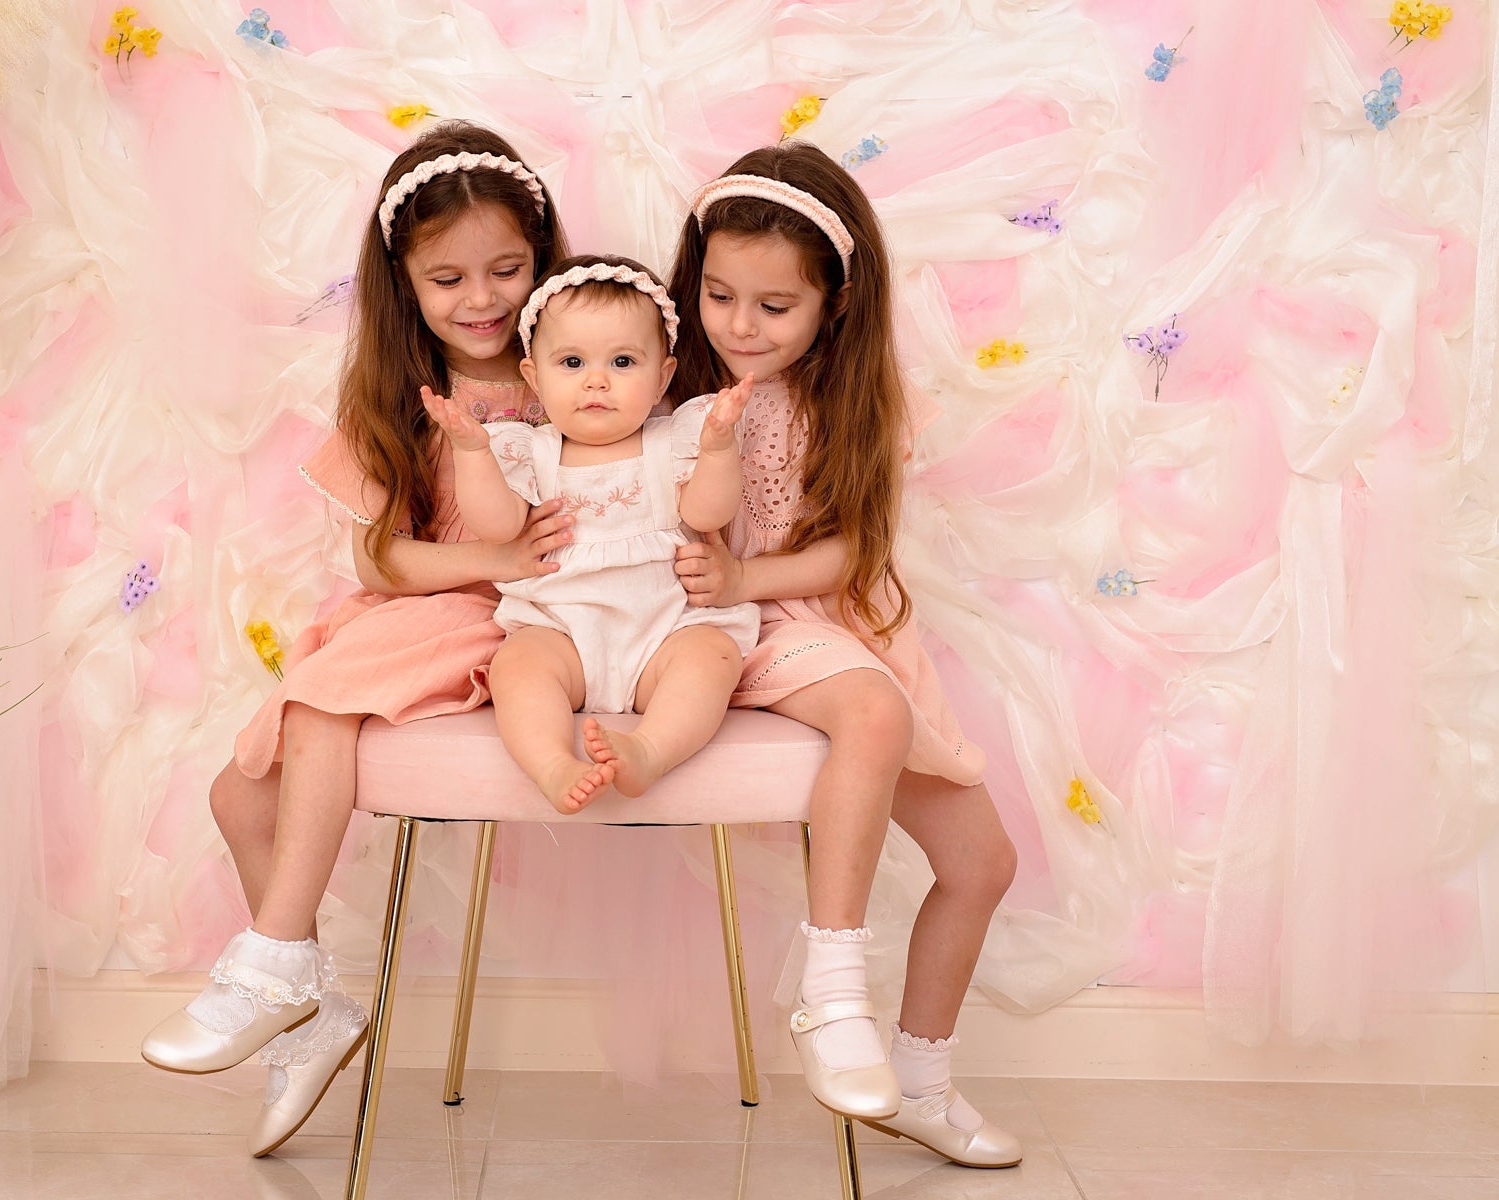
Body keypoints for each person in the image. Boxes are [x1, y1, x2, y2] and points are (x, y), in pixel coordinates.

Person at [140, 122, 573, 1158]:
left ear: (542, 259)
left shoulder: (570, 366)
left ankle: (273, 964)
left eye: (507, 269)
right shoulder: (397, 391)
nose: (482, 299)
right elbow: (379, 561)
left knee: (326, 705)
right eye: (447, 279)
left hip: (522, 625)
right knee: (236, 794)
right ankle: (312, 1013)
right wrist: (488, 556)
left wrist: (504, 568)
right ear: (404, 285)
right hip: (431, 602)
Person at [666, 143, 1024, 1167]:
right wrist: (725, 585)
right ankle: (833, 992)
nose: (740, 325)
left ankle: (922, 1080)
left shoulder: (858, 403)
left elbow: (854, 548)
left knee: (983, 862)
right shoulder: (672, 385)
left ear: (837, 302)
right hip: (724, 635)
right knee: (872, 711)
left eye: (775, 306)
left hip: (828, 622)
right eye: (720, 295)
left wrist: (748, 575)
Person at [423, 254, 761, 814]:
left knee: (712, 658)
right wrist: (473, 453)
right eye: (572, 362)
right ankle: (552, 764)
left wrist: (719, 449)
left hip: (664, 631)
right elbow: (498, 527)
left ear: (663, 378)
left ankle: (650, 750)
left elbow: (707, 513)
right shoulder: (530, 451)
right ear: (534, 376)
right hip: (561, 631)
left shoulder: (672, 442)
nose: (596, 381)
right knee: (517, 667)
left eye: (623, 361)